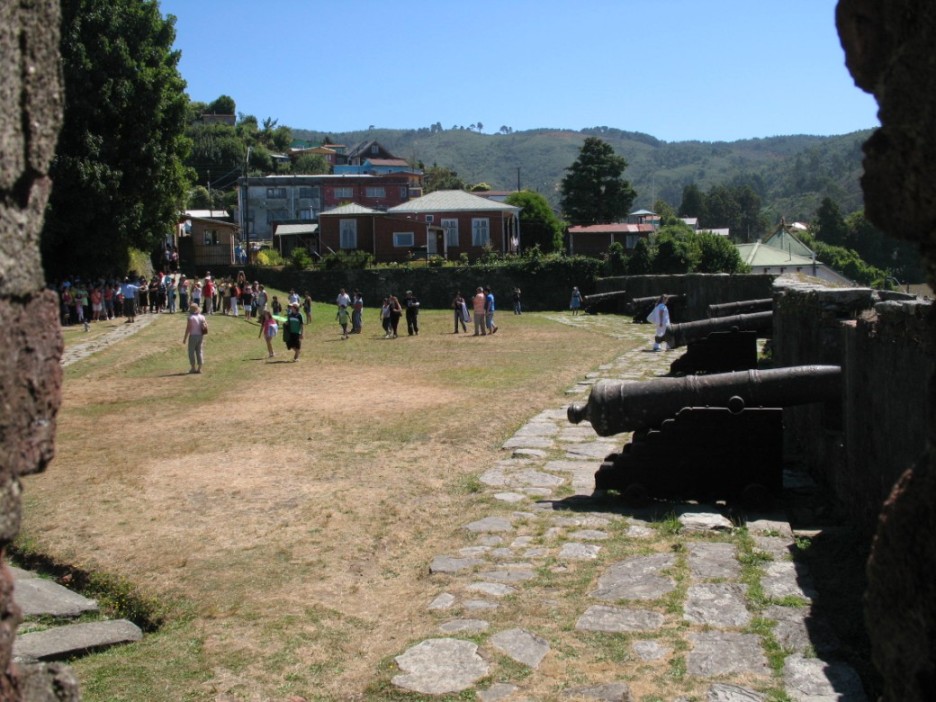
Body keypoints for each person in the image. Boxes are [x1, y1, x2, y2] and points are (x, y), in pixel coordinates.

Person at [182, 303, 207, 374]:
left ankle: (193, 368)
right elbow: (205, 326)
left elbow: (188, 328)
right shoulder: (202, 316)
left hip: (193, 336)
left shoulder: (190, 317)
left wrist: (185, 338)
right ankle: (199, 368)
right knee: (199, 351)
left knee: (191, 352)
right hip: (200, 336)